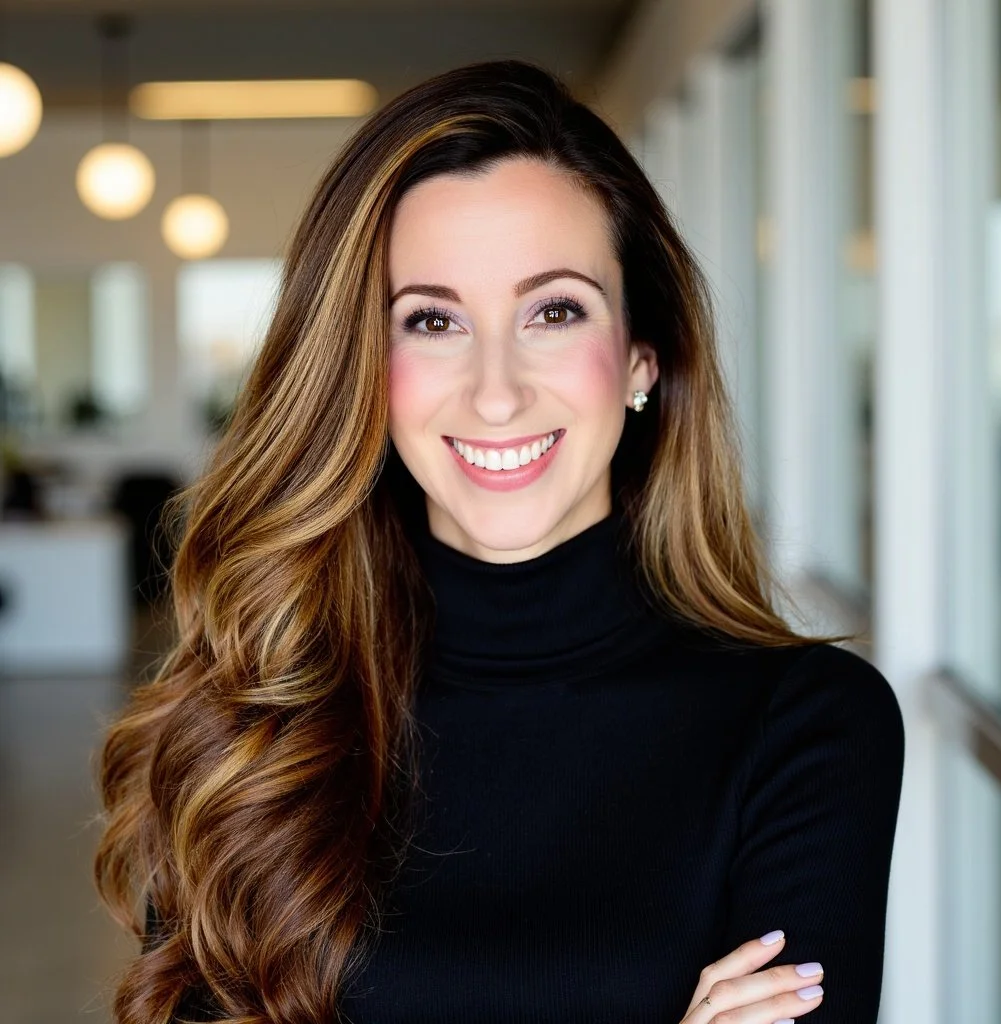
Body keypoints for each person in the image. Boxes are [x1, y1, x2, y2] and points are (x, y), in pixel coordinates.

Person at [94, 60, 904, 1024]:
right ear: (363, 370)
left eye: (553, 311)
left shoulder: (809, 730)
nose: (494, 390)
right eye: (431, 321)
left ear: (643, 357)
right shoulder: (244, 725)